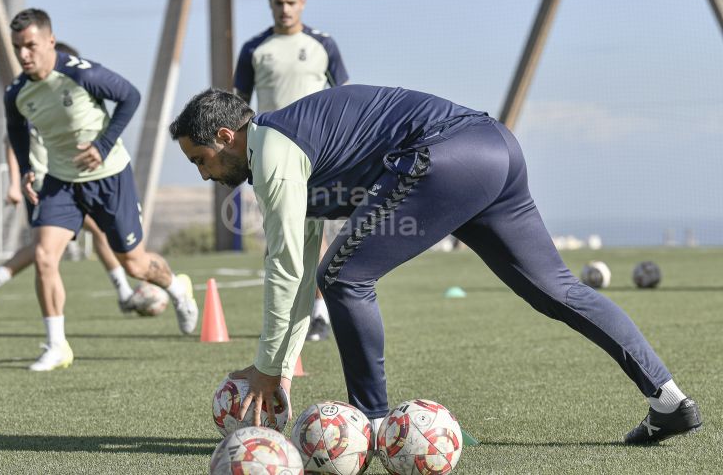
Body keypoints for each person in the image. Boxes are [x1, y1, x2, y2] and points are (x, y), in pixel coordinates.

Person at [169, 85, 702, 445]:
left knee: (347, 276)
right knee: (558, 290)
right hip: (495, 148)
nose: (203, 174)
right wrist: (280, 369)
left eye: (200, 159)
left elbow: (287, 270)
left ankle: (375, 425)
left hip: (450, 154)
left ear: (226, 137)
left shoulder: (272, 153)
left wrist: (265, 367)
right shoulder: (283, 150)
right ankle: (669, 402)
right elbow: (300, 273)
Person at [5, 8, 198, 371]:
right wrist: (28, 169)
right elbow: (15, 130)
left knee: (135, 264)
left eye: (30, 45)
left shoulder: (82, 74)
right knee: (44, 256)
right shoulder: (16, 92)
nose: (23, 54)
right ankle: (57, 346)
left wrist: (103, 145)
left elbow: (130, 96)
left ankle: (177, 287)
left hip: (110, 177)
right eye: (17, 47)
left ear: (50, 40)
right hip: (61, 182)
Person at [0, 43, 136, 323]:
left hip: (61, 182)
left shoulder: (62, 99)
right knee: (51, 249)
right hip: (48, 185)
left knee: (46, 249)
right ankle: (123, 293)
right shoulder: (37, 98)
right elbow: (11, 140)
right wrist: (15, 181)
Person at [233, 0, 349, 342]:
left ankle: (320, 313)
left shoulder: (322, 44)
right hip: (272, 153)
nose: (285, 9)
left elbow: (345, 97)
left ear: (302, 3)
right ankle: (292, 317)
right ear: (271, 4)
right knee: (280, 234)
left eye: (291, 2)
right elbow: (237, 108)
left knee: (312, 229)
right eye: (279, 3)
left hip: (318, 152)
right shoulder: (254, 49)